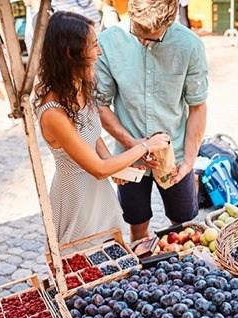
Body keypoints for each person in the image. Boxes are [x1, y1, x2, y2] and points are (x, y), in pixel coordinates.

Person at [34, 11, 171, 243]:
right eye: (94, 45)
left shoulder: (79, 86)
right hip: (76, 199)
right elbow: (98, 169)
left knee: (110, 250)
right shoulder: (53, 113)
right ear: (70, 53)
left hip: (99, 193)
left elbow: (91, 134)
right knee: (84, 256)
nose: (99, 52)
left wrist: (115, 166)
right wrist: (145, 146)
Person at [96, 0, 208, 241]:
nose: (144, 42)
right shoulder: (108, 42)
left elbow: (197, 106)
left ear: (170, 21)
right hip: (128, 155)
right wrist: (134, 145)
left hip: (176, 154)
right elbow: (100, 105)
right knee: (137, 225)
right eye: (138, 34)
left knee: (184, 225)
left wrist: (189, 161)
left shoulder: (190, 45)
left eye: (153, 38)